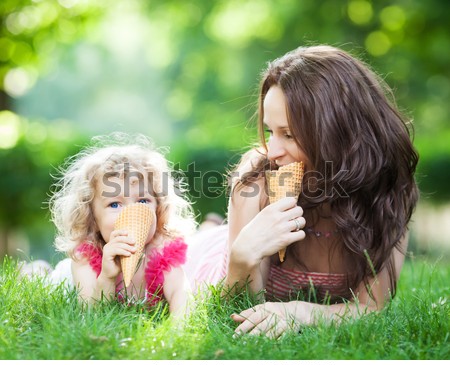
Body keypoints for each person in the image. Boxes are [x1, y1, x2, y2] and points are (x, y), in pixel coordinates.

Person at [186, 45, 419, 337]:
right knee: (195, 245)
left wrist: (303, 311)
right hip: (207, 261)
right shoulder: (256, 180)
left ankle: (212, 226)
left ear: (340, 134)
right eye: (270, 131)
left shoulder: (386, 194)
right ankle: (210, 230)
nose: (272, 152)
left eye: (289, 134)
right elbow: (237, 310)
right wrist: (242, 257)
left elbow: (370, 308)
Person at [47, 133, 196, 317]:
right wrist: (107, 278)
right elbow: (90, 315)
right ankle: (35, 269)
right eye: (115, 204)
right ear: (92, 217)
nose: (131, 213)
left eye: (142, 201)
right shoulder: (86, 257)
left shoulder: (163, 250)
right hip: (66, 277)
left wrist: (177, 333)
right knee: (40, 273)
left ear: (159, 208)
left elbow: (181, 295)